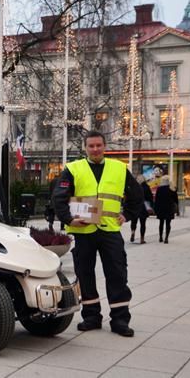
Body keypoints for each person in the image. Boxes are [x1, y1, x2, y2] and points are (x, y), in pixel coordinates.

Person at [52, 131, 145, 337]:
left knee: (117, 274)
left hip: (110, 230)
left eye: (99, 145)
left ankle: (120, 320)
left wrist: (127, 214)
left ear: (104, 146)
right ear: (85, 148)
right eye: (91, 146)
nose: (95, 149)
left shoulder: (119, 168)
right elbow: (59, 197)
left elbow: (137, 195)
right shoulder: (73, 169)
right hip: (83, 230)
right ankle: (91, 317)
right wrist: (68, 219)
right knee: (85, 274)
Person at [154, 176, 179, 244]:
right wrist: (177, 209)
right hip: (169, 208)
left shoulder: (159, 189)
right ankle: (166, 238)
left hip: (161, 208)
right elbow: (176, 200)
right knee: (168, 223)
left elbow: (156, 200)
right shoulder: (172, 189)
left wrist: (155, 209)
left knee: (161, 223)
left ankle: (160, 237)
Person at [131, 174, 154, 244]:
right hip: (144, 207)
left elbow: (131, 197)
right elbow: (150, 197)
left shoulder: (134, 187)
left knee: (134, 221)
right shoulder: (147, 187)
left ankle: (133, 232)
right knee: (143, 224)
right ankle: (142, 239)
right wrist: (151, 206)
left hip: (135, 206)